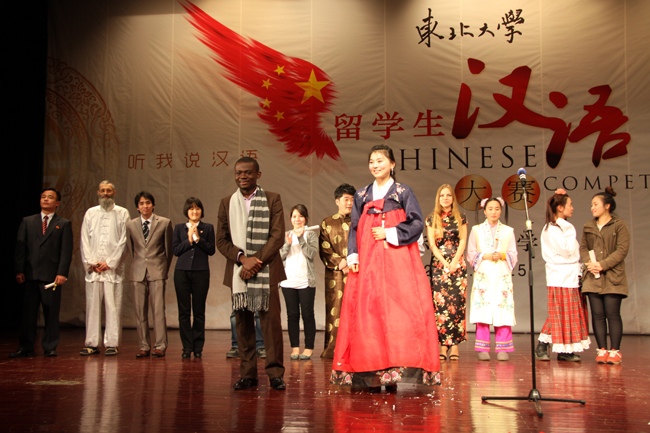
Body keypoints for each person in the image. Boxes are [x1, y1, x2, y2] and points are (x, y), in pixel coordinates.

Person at [331, 144, 440, 392]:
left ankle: (393, 371)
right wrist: (353, 255)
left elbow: (416, 223)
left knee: (396, 312)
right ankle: (370, 372)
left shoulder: (403, 192)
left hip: (396, 260)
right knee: (368, 312)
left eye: (380, 160)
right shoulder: (361, 195)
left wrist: (389, 232)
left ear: (392, 164)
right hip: (368, 261)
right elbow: (355, 227)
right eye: (371, 161)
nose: (375, 165)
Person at [216, 157, 286, 391]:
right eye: (238, 173)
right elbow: (221, 240)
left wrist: (255, 262)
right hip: (239, 272)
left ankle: (275, 374)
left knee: (270, 325)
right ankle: (248, 375)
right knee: (243, 325)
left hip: (266, 270)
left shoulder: (272, 199)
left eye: (247, 172)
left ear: (258, 174)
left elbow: (277, 236)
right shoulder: (227, 203)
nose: (242, 176)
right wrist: (242, 259)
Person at [11, 188, 73, 358]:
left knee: (51, 312)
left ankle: (50, 346)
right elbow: (21, 248)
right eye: (43, 197)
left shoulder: (63, 223)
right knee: (28, 313)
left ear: (57, 203)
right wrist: (19, 270)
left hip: (51, 276)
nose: (46, 199)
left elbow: (66, 251)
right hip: (30, 274)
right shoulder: (28, 221)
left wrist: (62, 273)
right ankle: (25, 347)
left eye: (50, 197)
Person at [536, 189, 590, 362]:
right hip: (560, 275)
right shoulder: (553, 228)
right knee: (560, 312)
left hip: (570, 274)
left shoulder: (561, 226)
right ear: (560, 208)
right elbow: (567, 249)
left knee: (569, 312)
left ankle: (564, 349)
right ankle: (543, 344)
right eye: (570, 205)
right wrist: (568, 227)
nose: (572, 208)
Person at [80, 180, 130, 356]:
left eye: (109, 191)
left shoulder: (122, 213)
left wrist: (110, 262)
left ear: (114, 193)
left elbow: (124, 241)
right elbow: (84, 240)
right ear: (98, 193)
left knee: (113, 306)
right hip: (94, 269)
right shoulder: (90, 213)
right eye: (103, 191)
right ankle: (91, 343)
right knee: (92, 306)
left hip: (112, 269)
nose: (105, 194)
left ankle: (112, 343)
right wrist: (91, 263)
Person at [579, 187, 629, 365]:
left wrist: (603, 264)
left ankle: (615, 350)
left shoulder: (619, 225)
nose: (592, 208)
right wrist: (590, 264)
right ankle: (602, 349)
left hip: (613, 276)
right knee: (598, 314)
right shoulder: (588, 226)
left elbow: (622, 250)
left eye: (595, 204)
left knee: (612, 313)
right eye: (591, 205)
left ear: (607, 206)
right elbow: (583, 248)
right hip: (593, 276)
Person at [467, 198, 518, 361]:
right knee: (483, 308)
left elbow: (513, 253)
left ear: (501, 211)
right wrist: (484, 256)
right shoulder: (476, 230)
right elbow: (471, 253)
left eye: (497, 208)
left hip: (502, 273)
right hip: (484, 273)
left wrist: (502, 255)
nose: (494, 212)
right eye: (490, 209)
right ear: (484, 211)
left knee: (503, 308)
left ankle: (503, 347)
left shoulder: (508, 231)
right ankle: (483, 347)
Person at [126, 191, 173, 358]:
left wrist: (163, 270)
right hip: (137, 271)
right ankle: (144, 345)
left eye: (147, 203)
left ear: (153, 205)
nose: (145, 206)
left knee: (158, 310)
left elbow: (168, 250)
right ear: (137, 207)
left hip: (157, 270)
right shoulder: (130, 225)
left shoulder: (164, 223)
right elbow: (131, 249)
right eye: (141, 203)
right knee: (140, 311)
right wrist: (137, 265)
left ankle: (160, 345)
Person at [425, 184, 468, 361]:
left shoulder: (461, 217)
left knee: (457, 304)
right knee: (441, 306)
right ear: (438, 198)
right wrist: (444, 263)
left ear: (453, 198)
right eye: (442, 195)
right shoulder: (431, 218)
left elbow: (463, 240)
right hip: (439, 266)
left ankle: (455, 345)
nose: (445, 198)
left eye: (448, 195)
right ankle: (443, 345)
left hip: (458, 265)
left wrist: (455, 261)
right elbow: (432, 245)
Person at [172, 197, 216, 359]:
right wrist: (189, 240)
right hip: (181, 273)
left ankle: (198, 347)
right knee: (184, 312)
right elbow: (175, 250)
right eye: (191, 208)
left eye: (197, 208)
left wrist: (198, 239)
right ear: (187, 211)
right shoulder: (179, 228)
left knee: (199, 311)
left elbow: (211, 250)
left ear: (201, 211)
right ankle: (186, 347)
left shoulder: (208, 228)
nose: (194, 211)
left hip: (201, 272)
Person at [319, 183, 355, 359]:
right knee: (336, 309)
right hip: (336, 274)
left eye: (352, 200)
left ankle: (357, 350)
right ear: (337, 201)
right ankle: (333, 349)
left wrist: (353, 262)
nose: (349, 203)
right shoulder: (327, 222)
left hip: (357, 271)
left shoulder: (361, 221)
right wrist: (341, 262)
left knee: (357, 310)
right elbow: (324, 247)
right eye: (346, 199)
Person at [280, 204, 318, 360]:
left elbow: (311, 254)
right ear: (290, 219)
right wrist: (287, 244)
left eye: (301, 216)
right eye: (294, 216)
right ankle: (295, 348)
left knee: (307, 315)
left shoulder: (311, 234)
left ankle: (309, 348)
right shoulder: (286, 235)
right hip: (288, 281)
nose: (297, 219)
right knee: (292, 315)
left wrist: (301, 238)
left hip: (305, 281)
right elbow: (280, 256)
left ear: (306, 218)